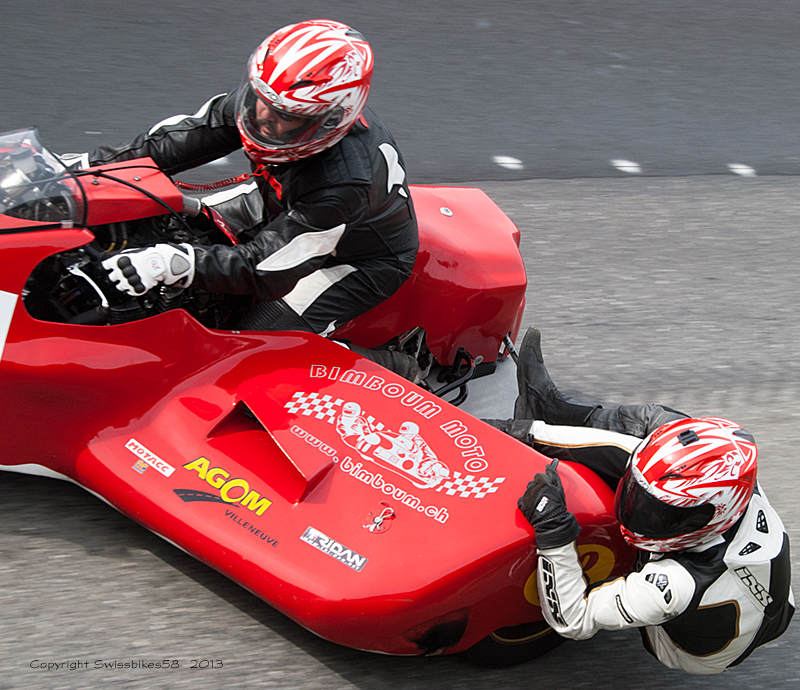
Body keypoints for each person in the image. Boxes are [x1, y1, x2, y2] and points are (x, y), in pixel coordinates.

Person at [489, 327, 794, 674]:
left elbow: (574, 620)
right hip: (771, 594)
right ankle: (550, 408)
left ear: (708, 519)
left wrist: (555, 532)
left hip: (691, 650)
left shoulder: (679, 584)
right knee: (665, 426)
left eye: (660, 512)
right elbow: (630, 454)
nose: (636, 509)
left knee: (632, 548)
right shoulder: (729, 488)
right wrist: (521, 433)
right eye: (639, 495)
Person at [91, 19, 419, 340]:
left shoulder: (343, 184)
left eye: (285, 116)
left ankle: (396, 370)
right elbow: (176, 141)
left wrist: (174, 262)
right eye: (261, 99)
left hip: (357, 258)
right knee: (169, 218)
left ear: (330, 120)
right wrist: (89, 166)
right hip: (277, 203)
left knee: (249, 346)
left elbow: (267, 270)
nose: (263, 117)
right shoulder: (275, 96)